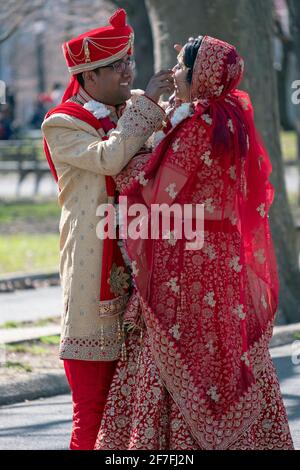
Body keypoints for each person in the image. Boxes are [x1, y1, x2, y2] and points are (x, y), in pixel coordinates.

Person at [94, 35, 294, 450]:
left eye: (182, 70)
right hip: (223, 261)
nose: (175, 76)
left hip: (188, 265)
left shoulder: (199, 125)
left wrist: (130, 156)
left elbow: (154, 190)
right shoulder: (233, 118)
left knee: (178, 351)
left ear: (200, 76)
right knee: (226, 354)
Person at [41, 8, 173, 450]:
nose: (127, 71)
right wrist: (149, 106)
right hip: (90, 270)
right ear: (87, 76)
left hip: (145, 276)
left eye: (129, 62)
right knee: (93, 411)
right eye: (115, 66)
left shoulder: (131, 106)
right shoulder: (62, 122)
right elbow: (109, 158)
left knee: (139, 410)